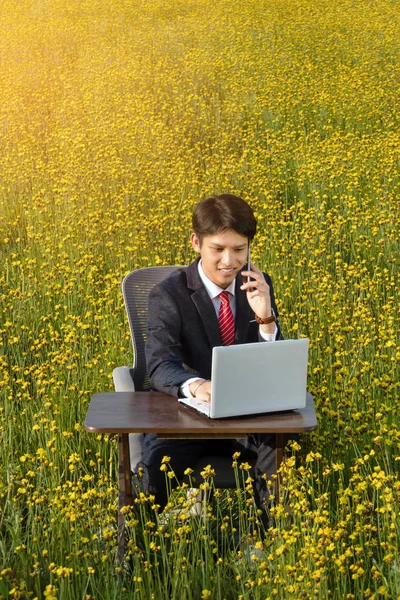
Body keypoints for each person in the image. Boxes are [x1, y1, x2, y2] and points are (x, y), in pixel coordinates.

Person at [138, 194, 287, 524]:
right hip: (184, 419)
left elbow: (277, 368)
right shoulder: (168, 293)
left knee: (280, 462)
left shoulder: (259, 286)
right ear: (196, 242)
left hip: (245, 421)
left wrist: (266, 318)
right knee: (153, 471)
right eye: (218, 249)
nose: (229, 261)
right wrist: (198, 386)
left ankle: (273, 551)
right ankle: (137, 554)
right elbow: (159, 364)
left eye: (239, 249)